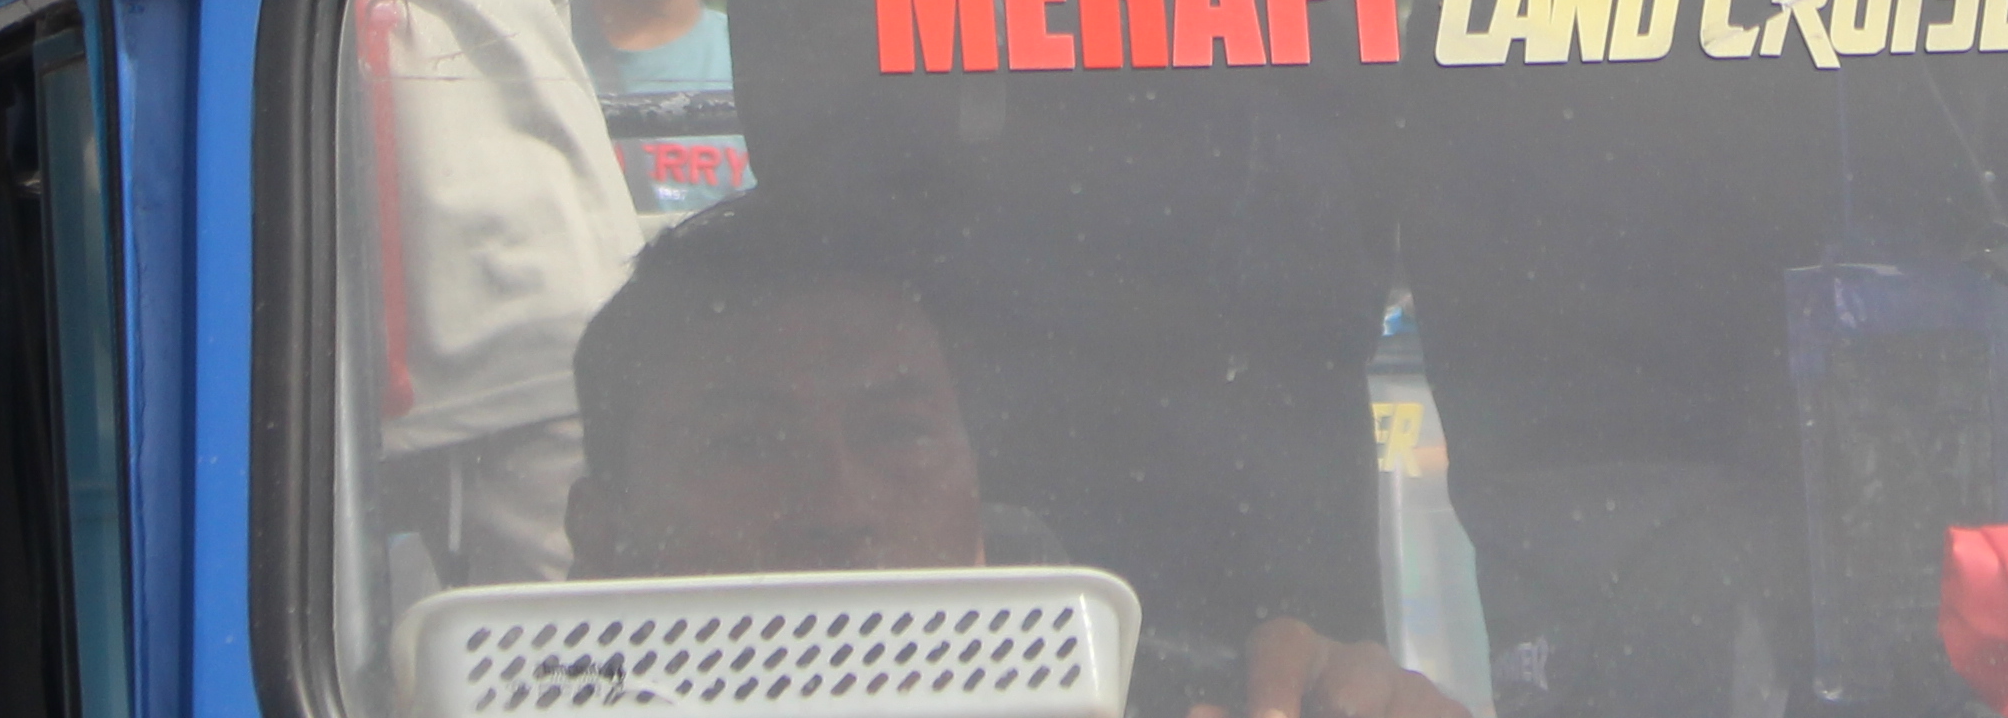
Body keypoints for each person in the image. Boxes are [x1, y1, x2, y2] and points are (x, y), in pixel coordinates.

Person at [563, 200, 1462, 718]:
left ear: (978, 495)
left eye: (901, 432)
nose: (840, 508)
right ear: (602, 539)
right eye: (745, 446)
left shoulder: (1173, 700)